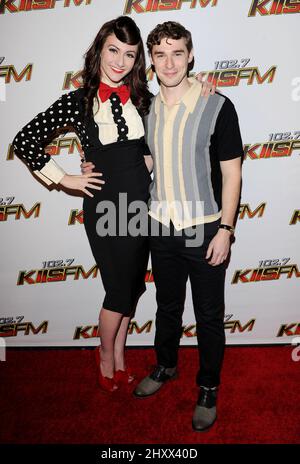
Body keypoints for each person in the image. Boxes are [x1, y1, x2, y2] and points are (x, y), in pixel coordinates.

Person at [12, 16, 153, 392]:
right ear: (99, 49)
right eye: (113, 50)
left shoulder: (143, 98)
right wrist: (67, 179)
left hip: (142, 205)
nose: (120, 62)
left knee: (133, 287)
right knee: (119, 291)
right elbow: (24, 140)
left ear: (137, 60)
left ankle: (121, 354)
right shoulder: (78, 101)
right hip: (106, 208)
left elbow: (168, 134)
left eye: (129, 55)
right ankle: (105, 356)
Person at [130, 21, 243, 432]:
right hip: (161, 226)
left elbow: (233, 175)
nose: (169, 62)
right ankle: (165, 366)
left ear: (191, 56)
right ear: (151, 61)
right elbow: (145, 162)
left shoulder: (217, 105)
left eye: (178, 52)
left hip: (205, 228)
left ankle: (209, 387)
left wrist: (226, 230)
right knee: (167, 307)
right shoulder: (146, 109)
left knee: (209, 315)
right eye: (160, 54)